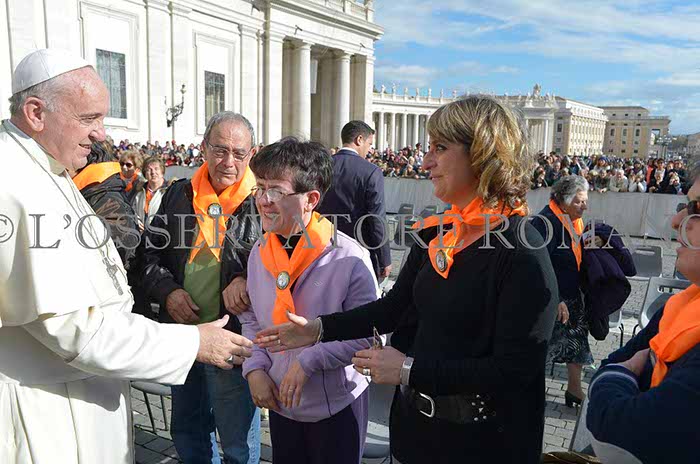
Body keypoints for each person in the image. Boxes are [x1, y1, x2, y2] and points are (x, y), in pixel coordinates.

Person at [255, 96, 558, 463]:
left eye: (440, 148)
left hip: (483, 444)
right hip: (416, 433)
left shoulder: (522, 251)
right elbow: (394, 309)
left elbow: (514, 370)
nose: (426, 161)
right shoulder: (438, 233)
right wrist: (318, 329)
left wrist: (407, 370)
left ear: (483, 155)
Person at [0, 48, 252, 464]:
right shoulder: (15, 185)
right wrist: (187, 334)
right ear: (36, 113)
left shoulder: (50, 169)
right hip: (46, 411)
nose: (101, 135)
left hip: (100, 382)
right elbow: (78, 330)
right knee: (189, 429)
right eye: (89, 118)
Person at [240, 137, 378, 464]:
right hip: (282, 403)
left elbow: (371, 336)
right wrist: (255, 369)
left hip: (337, 407)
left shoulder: (349, 257)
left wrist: (310, 359)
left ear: (310, 199)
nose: (263, 200)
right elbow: (252, 318)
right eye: (260, 188)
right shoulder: (259, 252)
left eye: (276, 191)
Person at [140, 111, 262, 464]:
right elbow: (149, 255)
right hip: (184, 334)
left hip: (233, 338)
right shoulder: (180, 193)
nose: (228, 162)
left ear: (251, 154)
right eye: (220, 150)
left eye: (238, 153)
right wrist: (167, 291)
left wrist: (247, 279)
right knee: (187, 430)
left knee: (238, 443)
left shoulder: (263, 201)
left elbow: (284, 263)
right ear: (204, 148)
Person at [586, 164, 700, 464]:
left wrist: (621, 375)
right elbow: (609, 363)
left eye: (696, 209)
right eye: (684, 206)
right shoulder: (681, 305)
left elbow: (619, 433)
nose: (676, 221)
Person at [532, 176, 592, 409]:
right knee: (543, 349)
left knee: (577, 344)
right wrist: (555, 299)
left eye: (585, 201)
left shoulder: (573, 221)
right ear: (564, 201)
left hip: (572, 297)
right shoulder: (545, 222)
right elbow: (539, 265)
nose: (584, 207)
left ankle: (574, 390)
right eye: (579, 202)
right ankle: (529, 395)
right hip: (553, 299)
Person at [317, 120, 392, 281]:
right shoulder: (371, 171)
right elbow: (376, 218)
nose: (370, 150)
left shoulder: (320, 167)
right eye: (369, 144)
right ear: (359, 140)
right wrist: (384, 259)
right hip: (358, 251)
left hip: (320, 247)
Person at [132, 155, 167, 228]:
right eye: (149, 169)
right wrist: (136, 222)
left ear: (162, 171)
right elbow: (133, 210)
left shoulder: (169, 191)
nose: (153, 172)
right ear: (145, 174)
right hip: (141, 233)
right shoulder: (139, 191)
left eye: (156, 169)